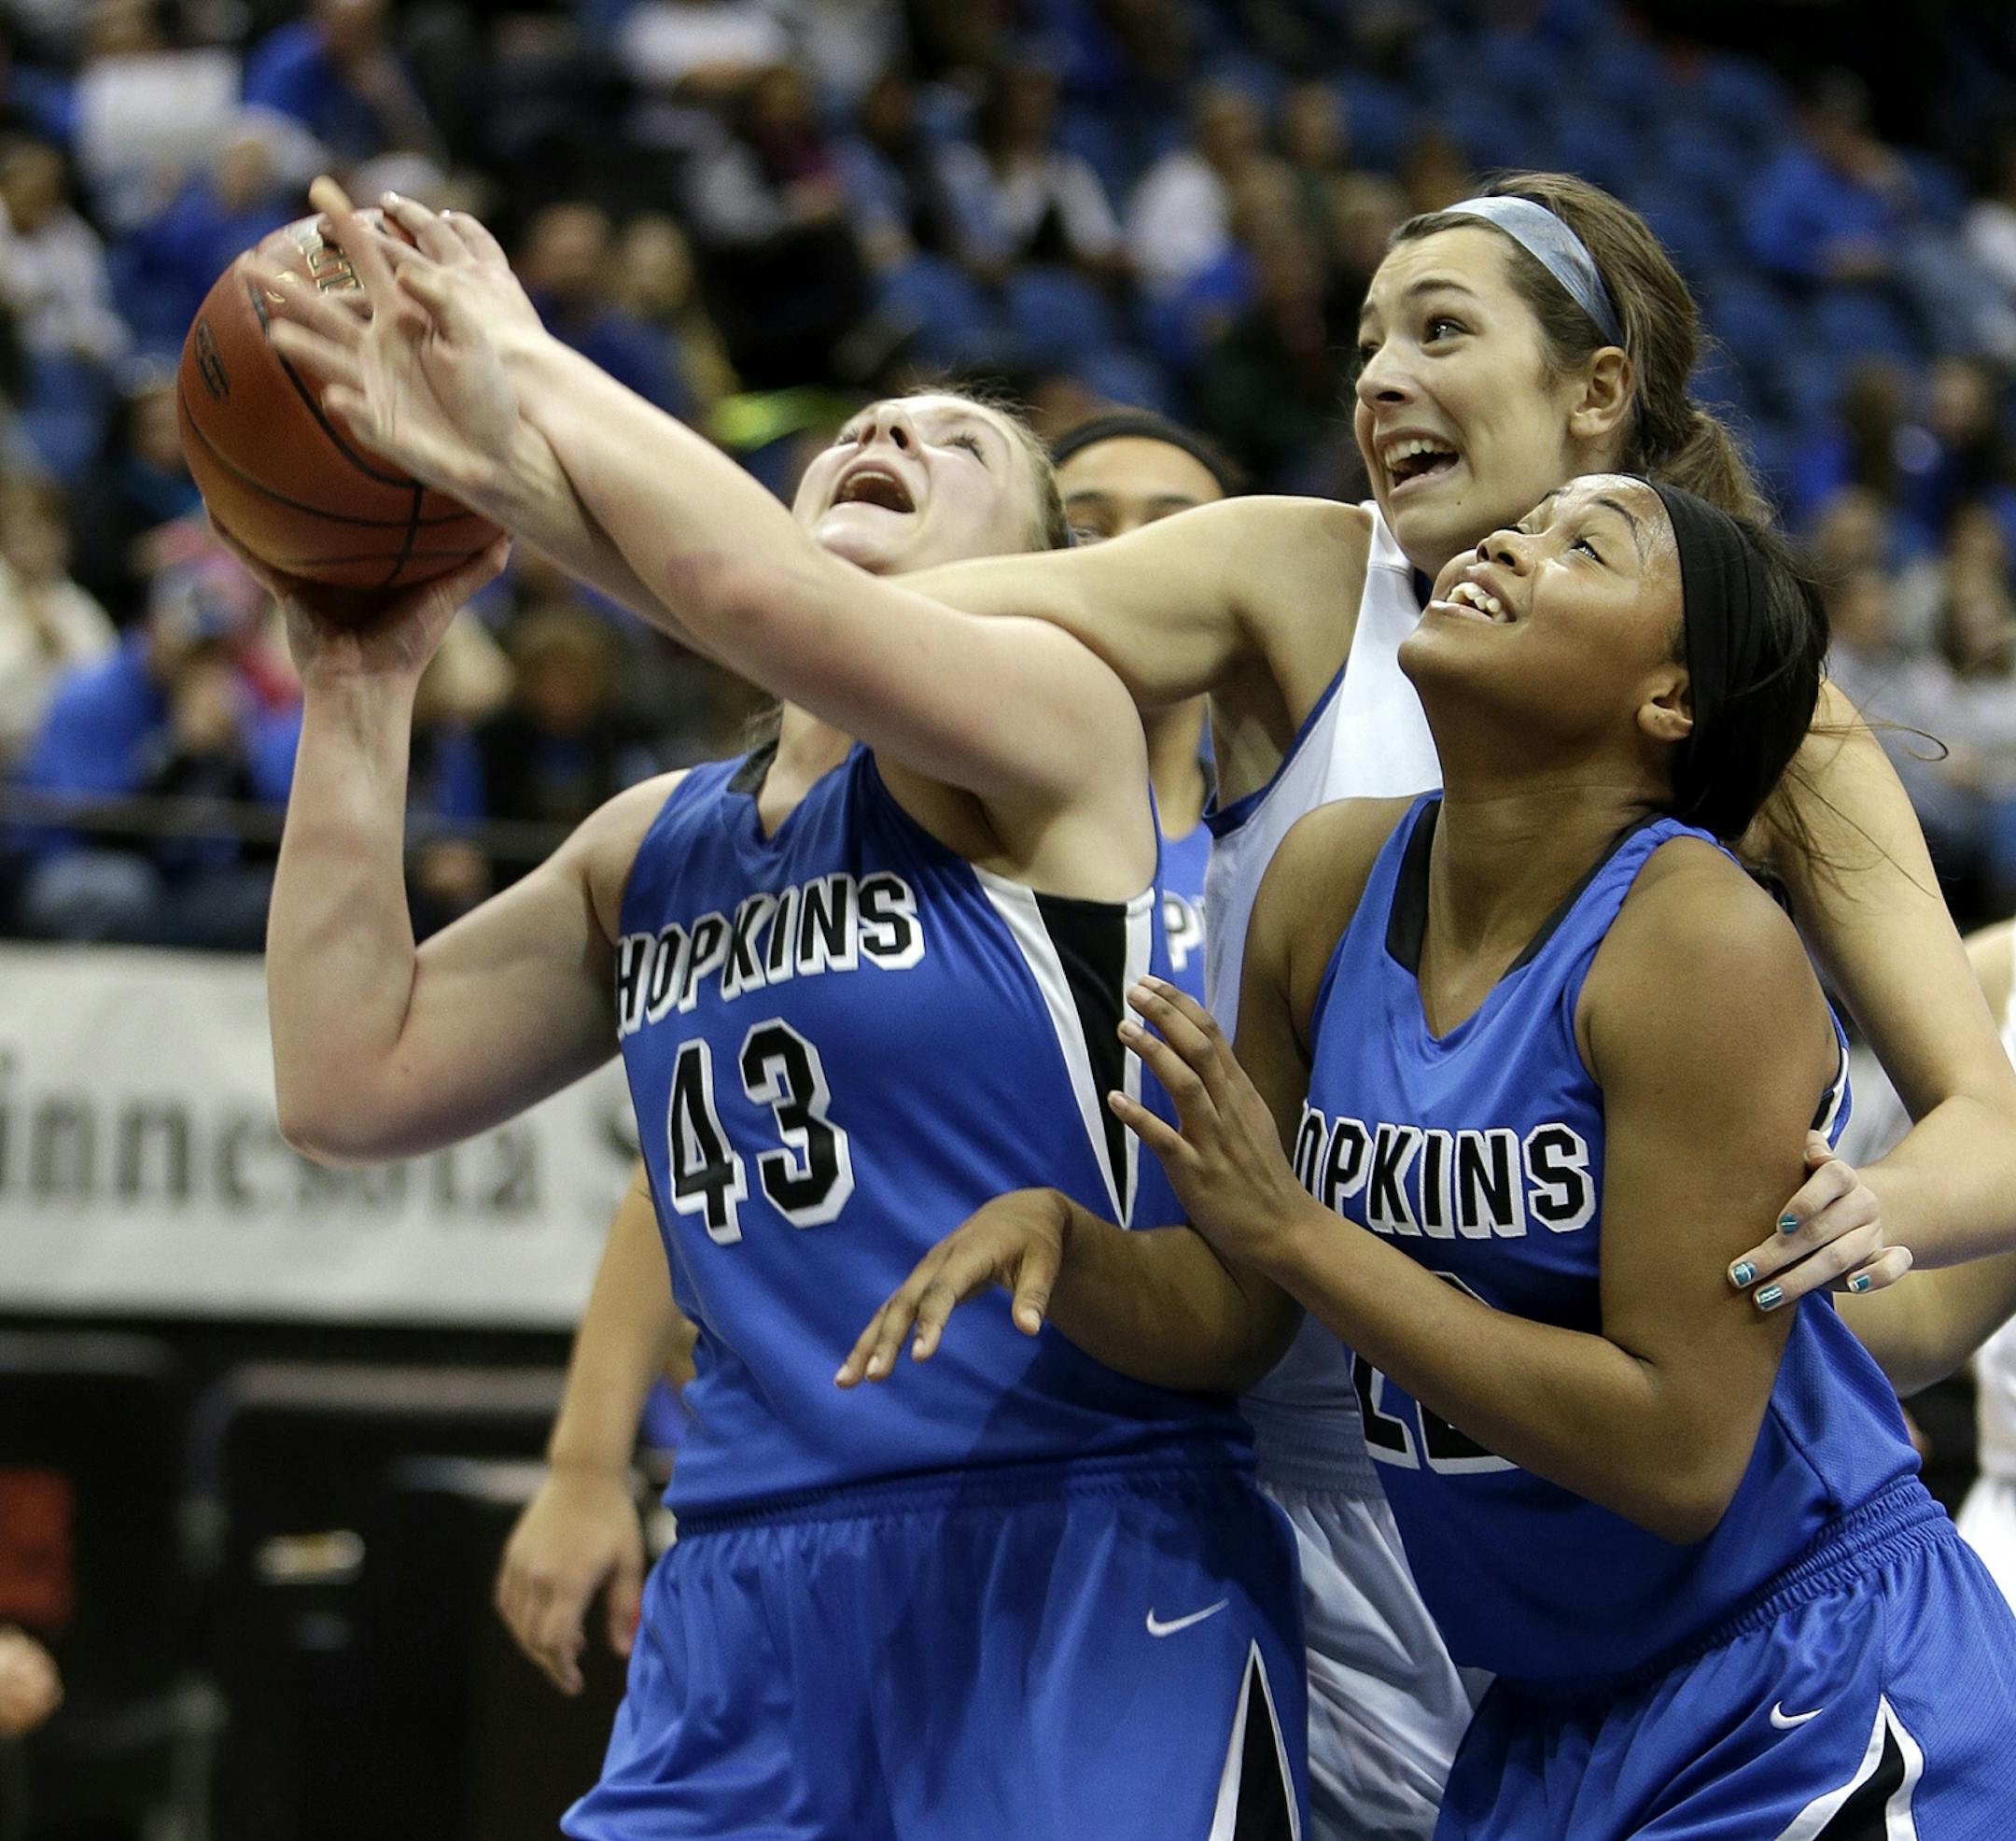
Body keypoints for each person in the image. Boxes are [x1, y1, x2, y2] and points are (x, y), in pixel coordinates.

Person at [292, 169, 2016, 1841]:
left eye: (1438, 329)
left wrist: (1841, 1257)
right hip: (1314, 1486)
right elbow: (826, 619)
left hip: (1615, 1538)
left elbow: (1972, 1145)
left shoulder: (1731, 791)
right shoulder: (1308, 687)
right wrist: (481, 481)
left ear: (1596, 392)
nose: (1379, 379)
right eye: (1361, 341)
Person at [256, 193, 1307, 1834]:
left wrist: (525, 369)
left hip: (1070, 1554)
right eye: (866, 426)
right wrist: (360, 679)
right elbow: (346, 1080)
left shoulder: (1057, 726)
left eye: (961, 444)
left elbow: (754, 602)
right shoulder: (649, 845)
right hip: (744, 1586)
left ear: (1045, 572)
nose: (889, 424)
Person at [849, 475, 2016, 1835]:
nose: (1512, 543)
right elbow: (1243, 1312)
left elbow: (1676, 1456)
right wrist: (1074, 1249)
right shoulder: (1331, 879)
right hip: (1540, 1712)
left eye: (1585, 546)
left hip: (1801, 1676)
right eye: (1525, 525)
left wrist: (1298, 1231)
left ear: (1669, 702)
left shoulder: (1700, 942)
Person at [489, 407, 1246, 1692]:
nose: (1119, 566)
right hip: (866, 1497)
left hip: (1195, 1460)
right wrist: (582, 1456)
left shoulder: (1266, 857)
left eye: (1163, 539)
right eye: (1096, 527)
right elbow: (683, 1163)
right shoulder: (920, 803)